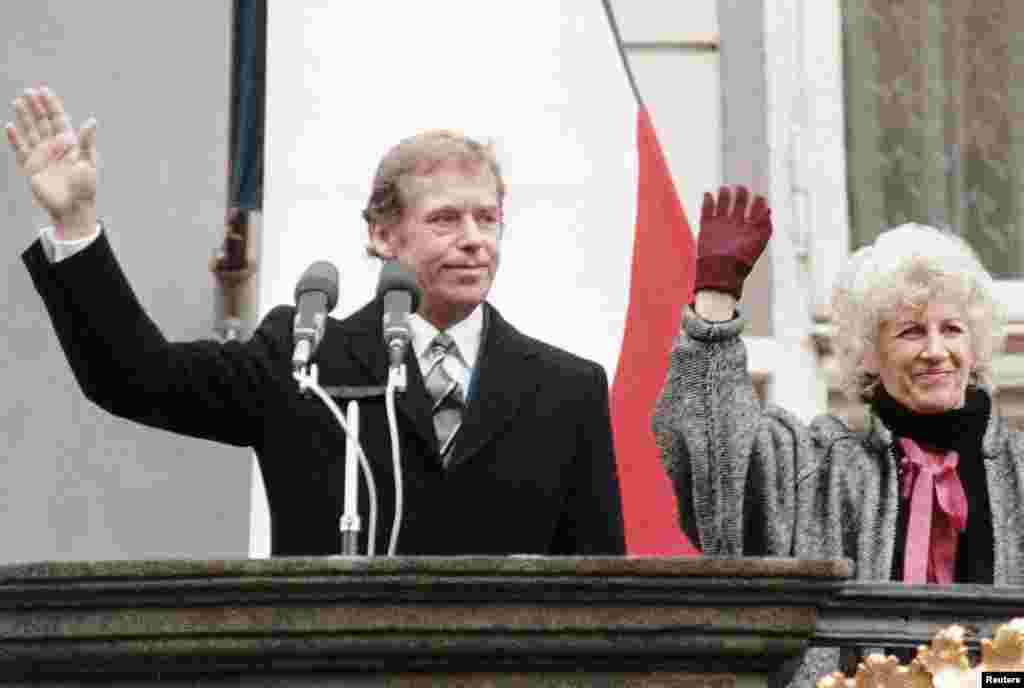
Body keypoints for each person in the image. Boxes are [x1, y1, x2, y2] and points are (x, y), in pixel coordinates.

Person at [6, 86, 626, 557]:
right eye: (445, 220)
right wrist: (76, 224)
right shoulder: (302, 356)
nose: (473, 241)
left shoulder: (566, 390)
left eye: (486, 220)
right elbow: (135, 375)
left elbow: (600, 598)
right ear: (383, 235)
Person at [652, 185, 1024, 684]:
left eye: (952, 329)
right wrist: (715, 305)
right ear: (871, 353)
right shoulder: (823, 465)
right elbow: (720, 457)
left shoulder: (1018, 471)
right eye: (911, 332)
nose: (936, 350)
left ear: (974, 343)